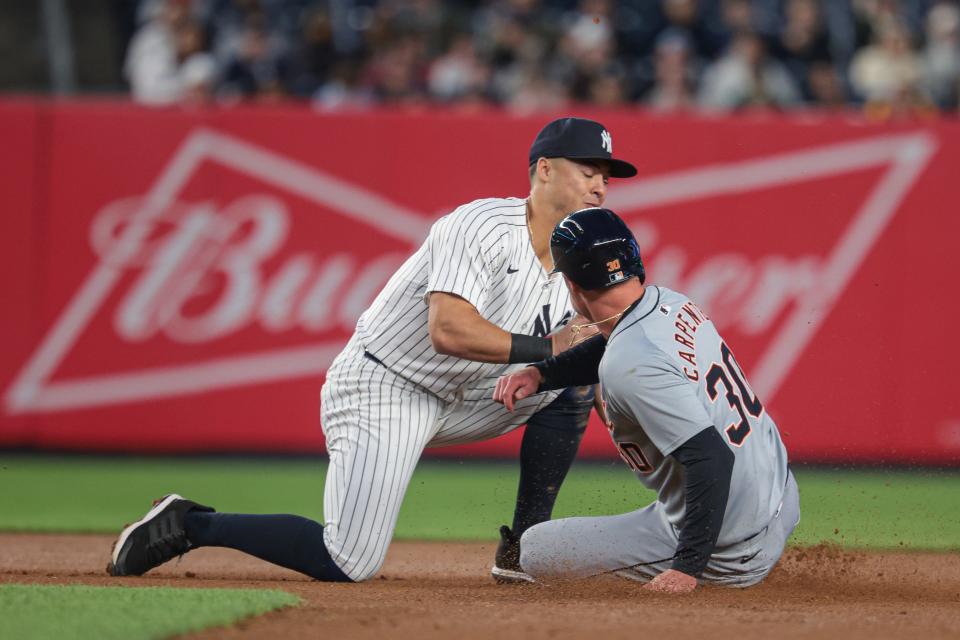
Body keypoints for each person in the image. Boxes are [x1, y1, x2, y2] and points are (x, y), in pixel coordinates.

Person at [106, 118, 639, 584]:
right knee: (350, 559)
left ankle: (523, 549)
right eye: (588, 169)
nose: (600, 184)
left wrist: (633, 426)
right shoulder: (480, 226)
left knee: (576, 376)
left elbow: (589, 355)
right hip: (385, 386)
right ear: (544, 170)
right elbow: (449, 330)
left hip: (468, 395)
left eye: (606, 176)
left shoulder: (578, 255)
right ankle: (189, 524)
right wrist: (550, 347)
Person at [493, 208, 798, 593]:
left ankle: (710, 563)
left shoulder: (629, 363)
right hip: (781, 501)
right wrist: (542, 374)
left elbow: (710, 457)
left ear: (571, 285)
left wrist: (687, 567)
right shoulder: (672, 303)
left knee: (536, 550)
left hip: (730, 545)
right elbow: (614, 348)